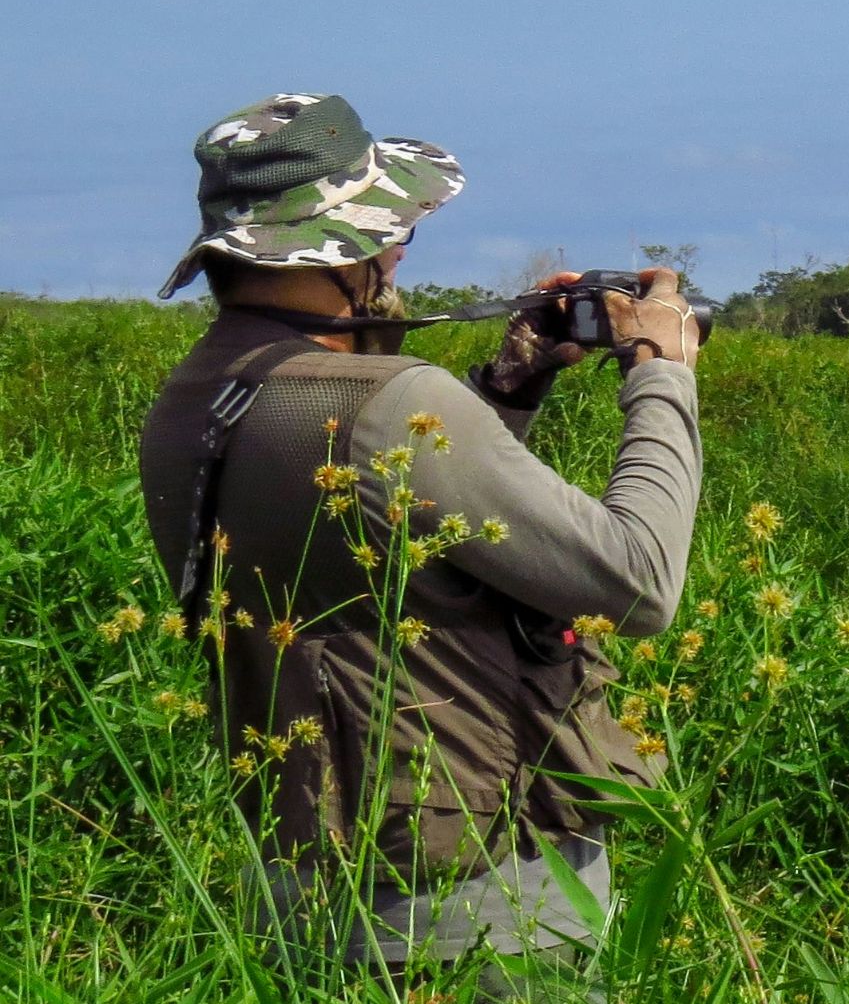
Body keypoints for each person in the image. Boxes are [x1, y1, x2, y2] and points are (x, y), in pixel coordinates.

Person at [139, 92, 702, 998]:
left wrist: (502, 395)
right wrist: (663, 374)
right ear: (345, 248)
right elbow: (638, 582)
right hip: (478, 907)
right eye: (390, 229)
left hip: (300, 887)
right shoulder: (388, 400)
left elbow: (370, 541)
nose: (399, 249)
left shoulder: (193, 397)